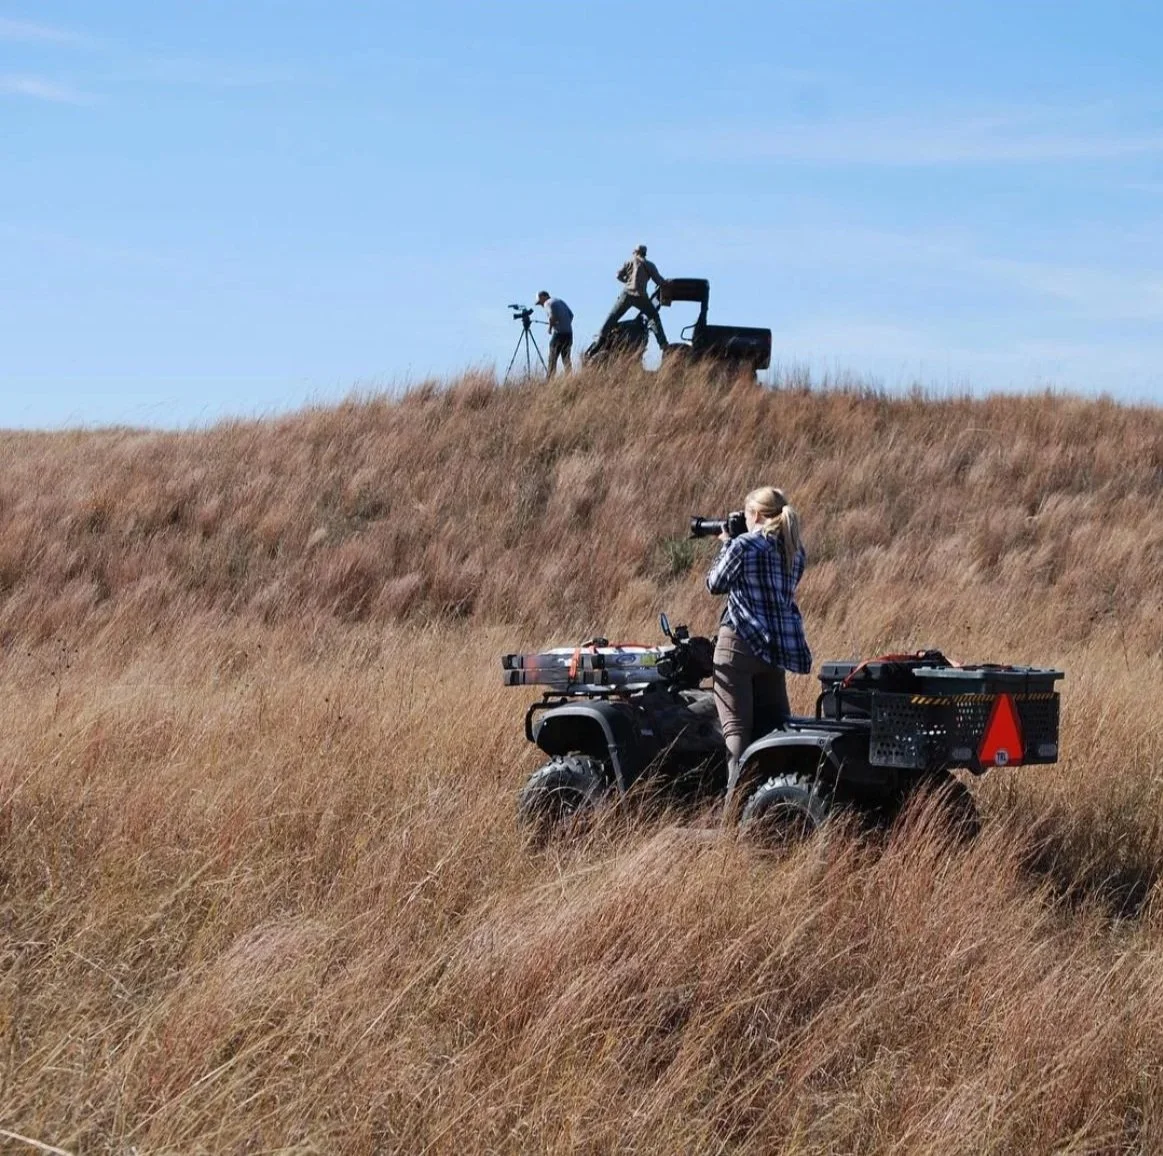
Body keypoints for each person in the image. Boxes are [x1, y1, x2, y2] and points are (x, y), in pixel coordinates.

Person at [705, 486, 812, 800]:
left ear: (754, 515)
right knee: (774, 730)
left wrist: (727, 543)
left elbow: (715, 584)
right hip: (774, 650)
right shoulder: (794, 549)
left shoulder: (743, 545)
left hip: (738, 646)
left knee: (736, 734)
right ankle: (774, 800)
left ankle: (732, 816)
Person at [597, 244, 669, 352]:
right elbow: (659, 281)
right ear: (645, 253)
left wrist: (627, 281)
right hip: (641, 296)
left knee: (613, 316)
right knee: (653, 317)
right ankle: (663, 344)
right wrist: (666, 283)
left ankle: (601, 339)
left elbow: (618, 275)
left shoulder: (628, 262)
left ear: (635, 252)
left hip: (626, 294)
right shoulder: (649, 265)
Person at [536, 290, 573, 378]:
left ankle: (550, 380)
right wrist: (565, 323)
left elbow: (552, 317)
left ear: (543, 297)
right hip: (569, 334)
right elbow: (571, 315)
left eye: (540, 302)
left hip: (559, 335)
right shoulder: (560, 301)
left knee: (552, 359)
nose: (541, 305)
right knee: (566, 359)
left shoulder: (547, 303)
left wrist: (550, 328)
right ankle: (570, 378)